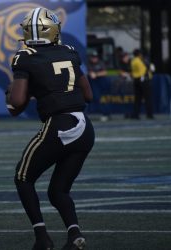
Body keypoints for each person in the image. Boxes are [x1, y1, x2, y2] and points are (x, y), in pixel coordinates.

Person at [6, 8, 94, 250]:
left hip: (59, 125)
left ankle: (42, 238)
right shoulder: (70, 51)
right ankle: (75, 235)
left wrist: (16, 93)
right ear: (54, 30)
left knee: (23, 178)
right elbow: (88, 94)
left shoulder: (25, 57)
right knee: (58, 190)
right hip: (85, 127)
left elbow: (16, 103)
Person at [87, 51, 111, 122]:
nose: (94, 59)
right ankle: (104, 113)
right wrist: (94, 74)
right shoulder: (89, 63)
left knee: (105, 98)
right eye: (93, 57)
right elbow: (91, 74)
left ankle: (106, 114)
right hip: (94, 83)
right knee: (96, 98)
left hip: (103, 82)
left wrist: (97, 74)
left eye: (95, 57)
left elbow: (105, 72)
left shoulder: (100, 62)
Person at [130, 49, 154, 119]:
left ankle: (136, 114)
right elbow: (150, 69)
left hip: (136, 80)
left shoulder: (133, 61)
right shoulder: (141, 61)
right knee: (148, 98)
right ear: (139, 54)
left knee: (137, 98)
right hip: (143, 80)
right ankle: (149, 114)